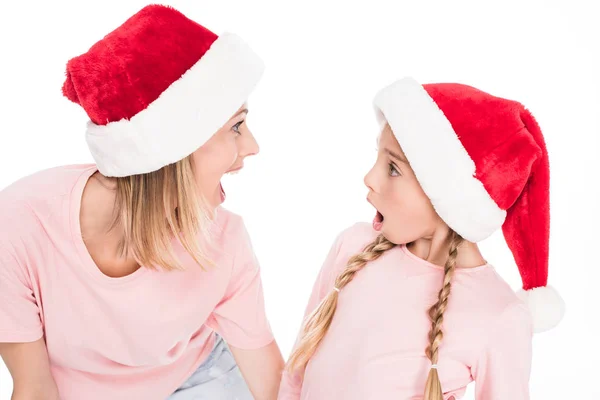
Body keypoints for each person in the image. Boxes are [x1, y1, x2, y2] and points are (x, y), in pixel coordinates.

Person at [0, 4, 283, 400]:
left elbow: (272, 384)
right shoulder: (18, 226)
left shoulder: (226, 241)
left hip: (201, 379)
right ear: (173, 149)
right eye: (236, 126)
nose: (252, 147)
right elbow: (33, 386)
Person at [278, 77, 565, 399]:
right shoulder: (353, 245)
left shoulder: (499, 315)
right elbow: (295, 374)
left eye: (393, 168)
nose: (369, 178)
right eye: (379, 159)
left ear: (447, 197)